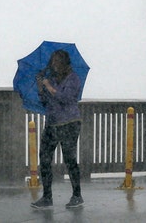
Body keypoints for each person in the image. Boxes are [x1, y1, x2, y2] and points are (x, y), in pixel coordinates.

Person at [31, 49, 84, 209]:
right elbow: (45, 102)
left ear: (64, 63)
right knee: (45, 159)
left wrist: (48, 86)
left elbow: (65, 98)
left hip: (69, 123)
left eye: (57, 62)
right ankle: (47, 197)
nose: (54, 65)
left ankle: (77, 195)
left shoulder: (73, 78)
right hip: (52, 123)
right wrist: (41, 88)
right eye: (52, 62)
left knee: (69, 159)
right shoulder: (52, 79)